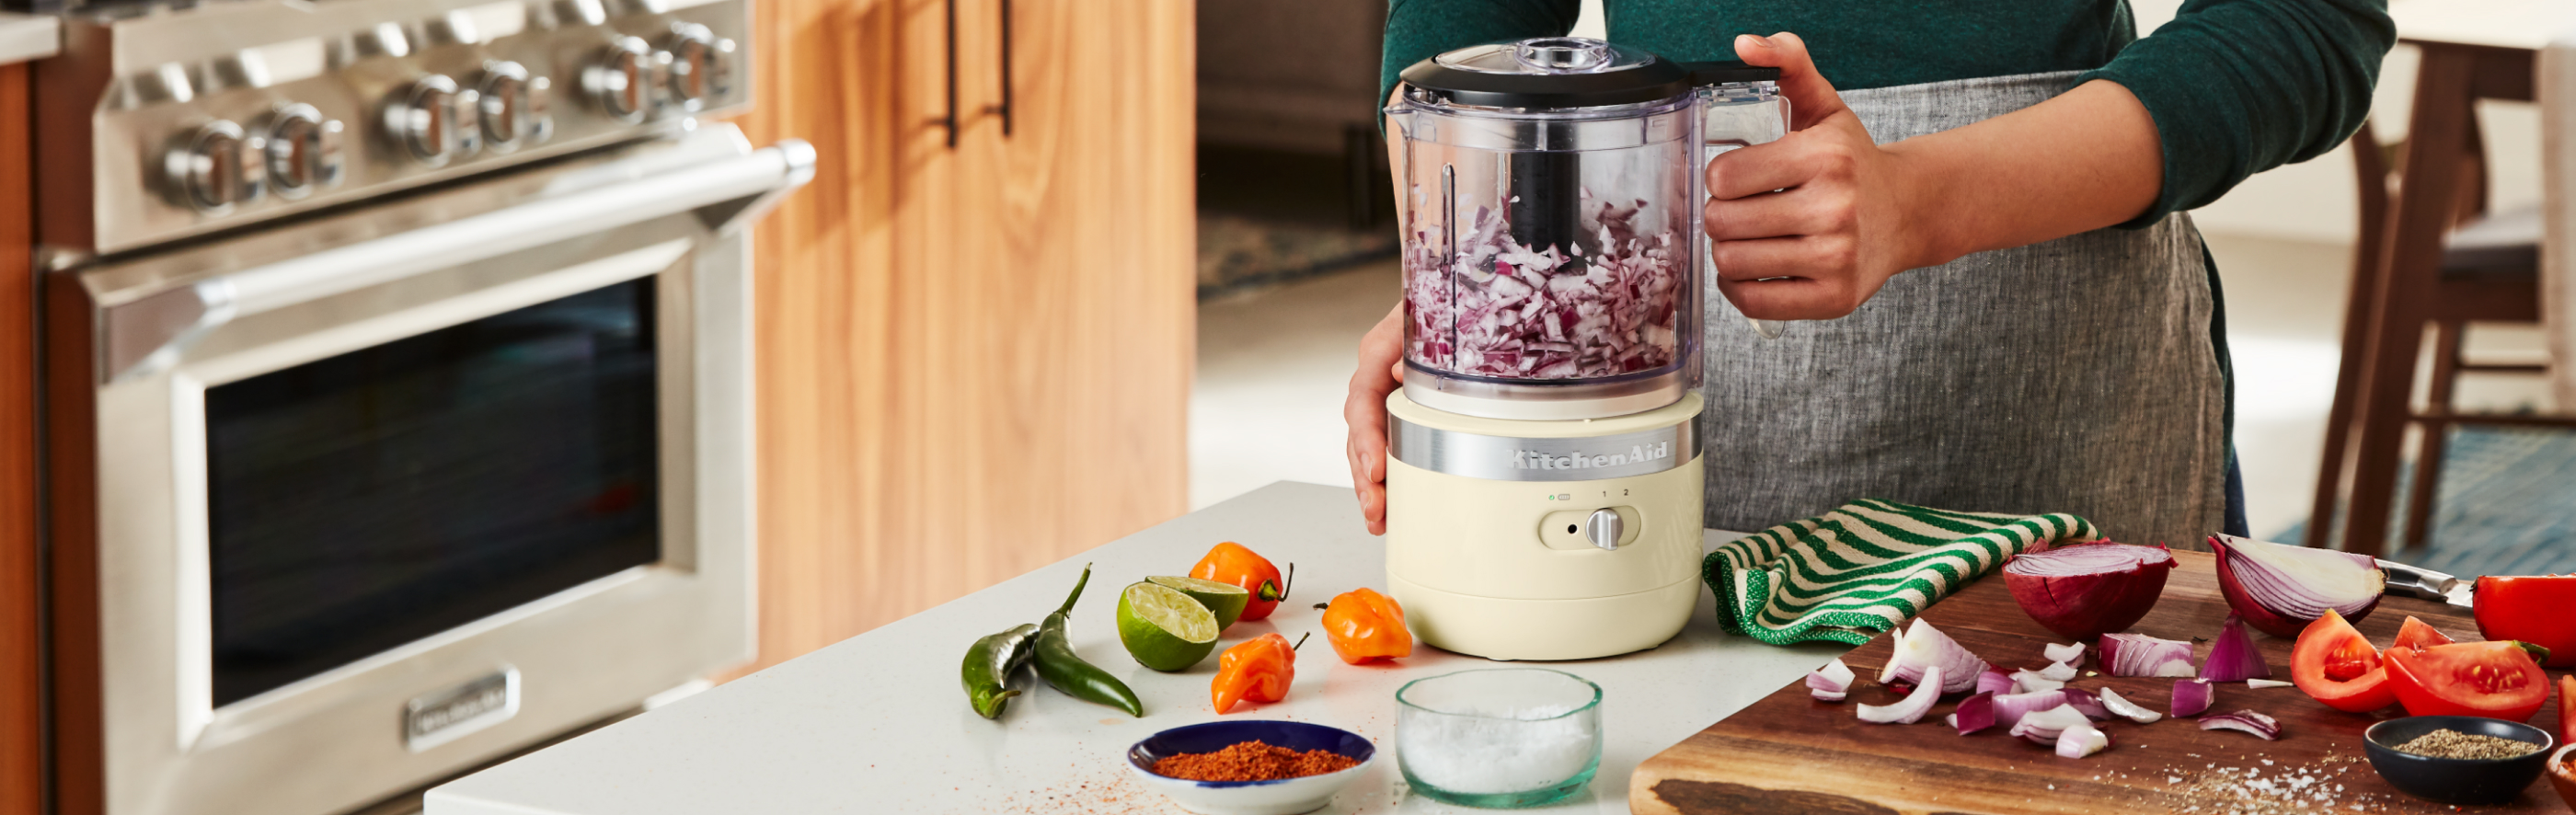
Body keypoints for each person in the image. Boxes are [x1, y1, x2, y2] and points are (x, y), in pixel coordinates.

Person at [1346, 1, 2394, 547]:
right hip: (1655, 385)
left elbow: (2304, 19)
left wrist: (1921, 201)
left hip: (2060, 384)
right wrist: (1461, 274)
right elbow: (1460, 18)